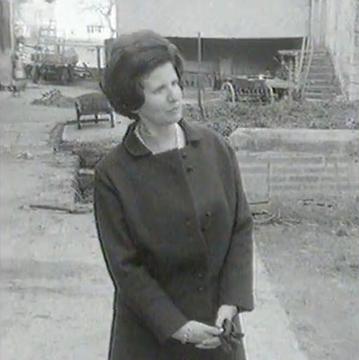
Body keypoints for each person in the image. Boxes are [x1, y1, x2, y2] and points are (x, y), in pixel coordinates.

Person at [94, 30, 254, 359]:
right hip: (152, 337)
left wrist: (231, 301)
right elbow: (126, 269)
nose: (174, 96)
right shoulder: (113, 175)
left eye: (175, 83)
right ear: (132, 101)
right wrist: (177, 326)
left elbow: (241, 226)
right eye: (159, 89)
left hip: (217, 330)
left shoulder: (215, 148)